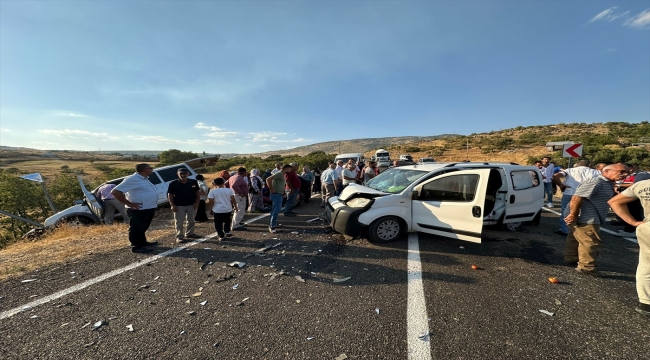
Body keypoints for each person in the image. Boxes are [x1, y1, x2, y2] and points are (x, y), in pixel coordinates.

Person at [563, 163, 629, 275]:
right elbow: (577, 197)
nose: (625, 174)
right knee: (590, 241)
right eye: (621, 171)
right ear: (607, 171)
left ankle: (572, 258)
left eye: (627, 172)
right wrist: (573, 214)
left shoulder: (607, 183)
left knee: (575, 238)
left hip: (587, 216)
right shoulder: (596, 182)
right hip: (586, 217)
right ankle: (587, 267)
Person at [608, 178, 650, 317]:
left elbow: (614, 201)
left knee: (646, 265)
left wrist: (633, 222)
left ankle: (645, 302)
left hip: (647, 228)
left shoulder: (643, 184)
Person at [111, 163, 159, 253]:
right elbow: (115, 192)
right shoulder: (132, 179)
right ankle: (136, 246)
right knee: (136, 228)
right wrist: (129, 203)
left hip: (148, 207)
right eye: (150, 168)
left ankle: (142, 242)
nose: (152, 169)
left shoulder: (145, 179)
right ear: (144, 169)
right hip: (138, 209)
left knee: (143, 226)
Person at [552, 160, 600, 236]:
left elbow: (555, 176)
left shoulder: (570, 170)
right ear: (589, 165)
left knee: (566, 211)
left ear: (577, 165)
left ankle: (566, 230)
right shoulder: (596, 172)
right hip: (587, 194)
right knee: (586, 212)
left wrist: (561, 185)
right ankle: (584, 230)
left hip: (570, 192)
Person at [167, 168, 201, 243]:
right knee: (179, 222)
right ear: (177, 174)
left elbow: (197, 192)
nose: (183, 175)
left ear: (188, 174)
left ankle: (190, 233)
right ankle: (179, 236)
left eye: (185, 173)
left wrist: (198, 202)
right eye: (181, 174)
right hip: (179, 206)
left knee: (191, 220)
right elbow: (170, 194)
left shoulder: (193, 182)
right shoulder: (173, 183)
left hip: (192, 205)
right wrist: (172, 205)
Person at [266, 164, 292, 233]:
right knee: (276, 210)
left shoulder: (281, 174)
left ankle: (273, 223)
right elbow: (268, 179)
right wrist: (271, 189)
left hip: (279, 194)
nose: (290, 170)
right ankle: (272, 226)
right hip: (276, 194)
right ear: (286, 168)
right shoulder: (280, 174)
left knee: (274, 209)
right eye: (289, 169)